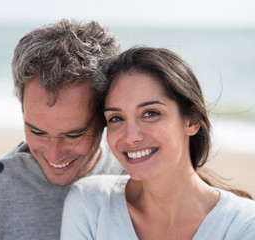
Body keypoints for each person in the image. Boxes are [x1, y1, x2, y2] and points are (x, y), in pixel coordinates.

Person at [0, 19, 124, 240]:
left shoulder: (139, 179)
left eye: (73, 135)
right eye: (37, 132)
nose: (54, 154)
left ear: (106, 118)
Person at [61, 47, 255, 240]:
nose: (130, 137)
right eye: (116, 118)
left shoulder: (244, 224)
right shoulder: (90, 204)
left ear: (192, 121)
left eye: (150, 113)